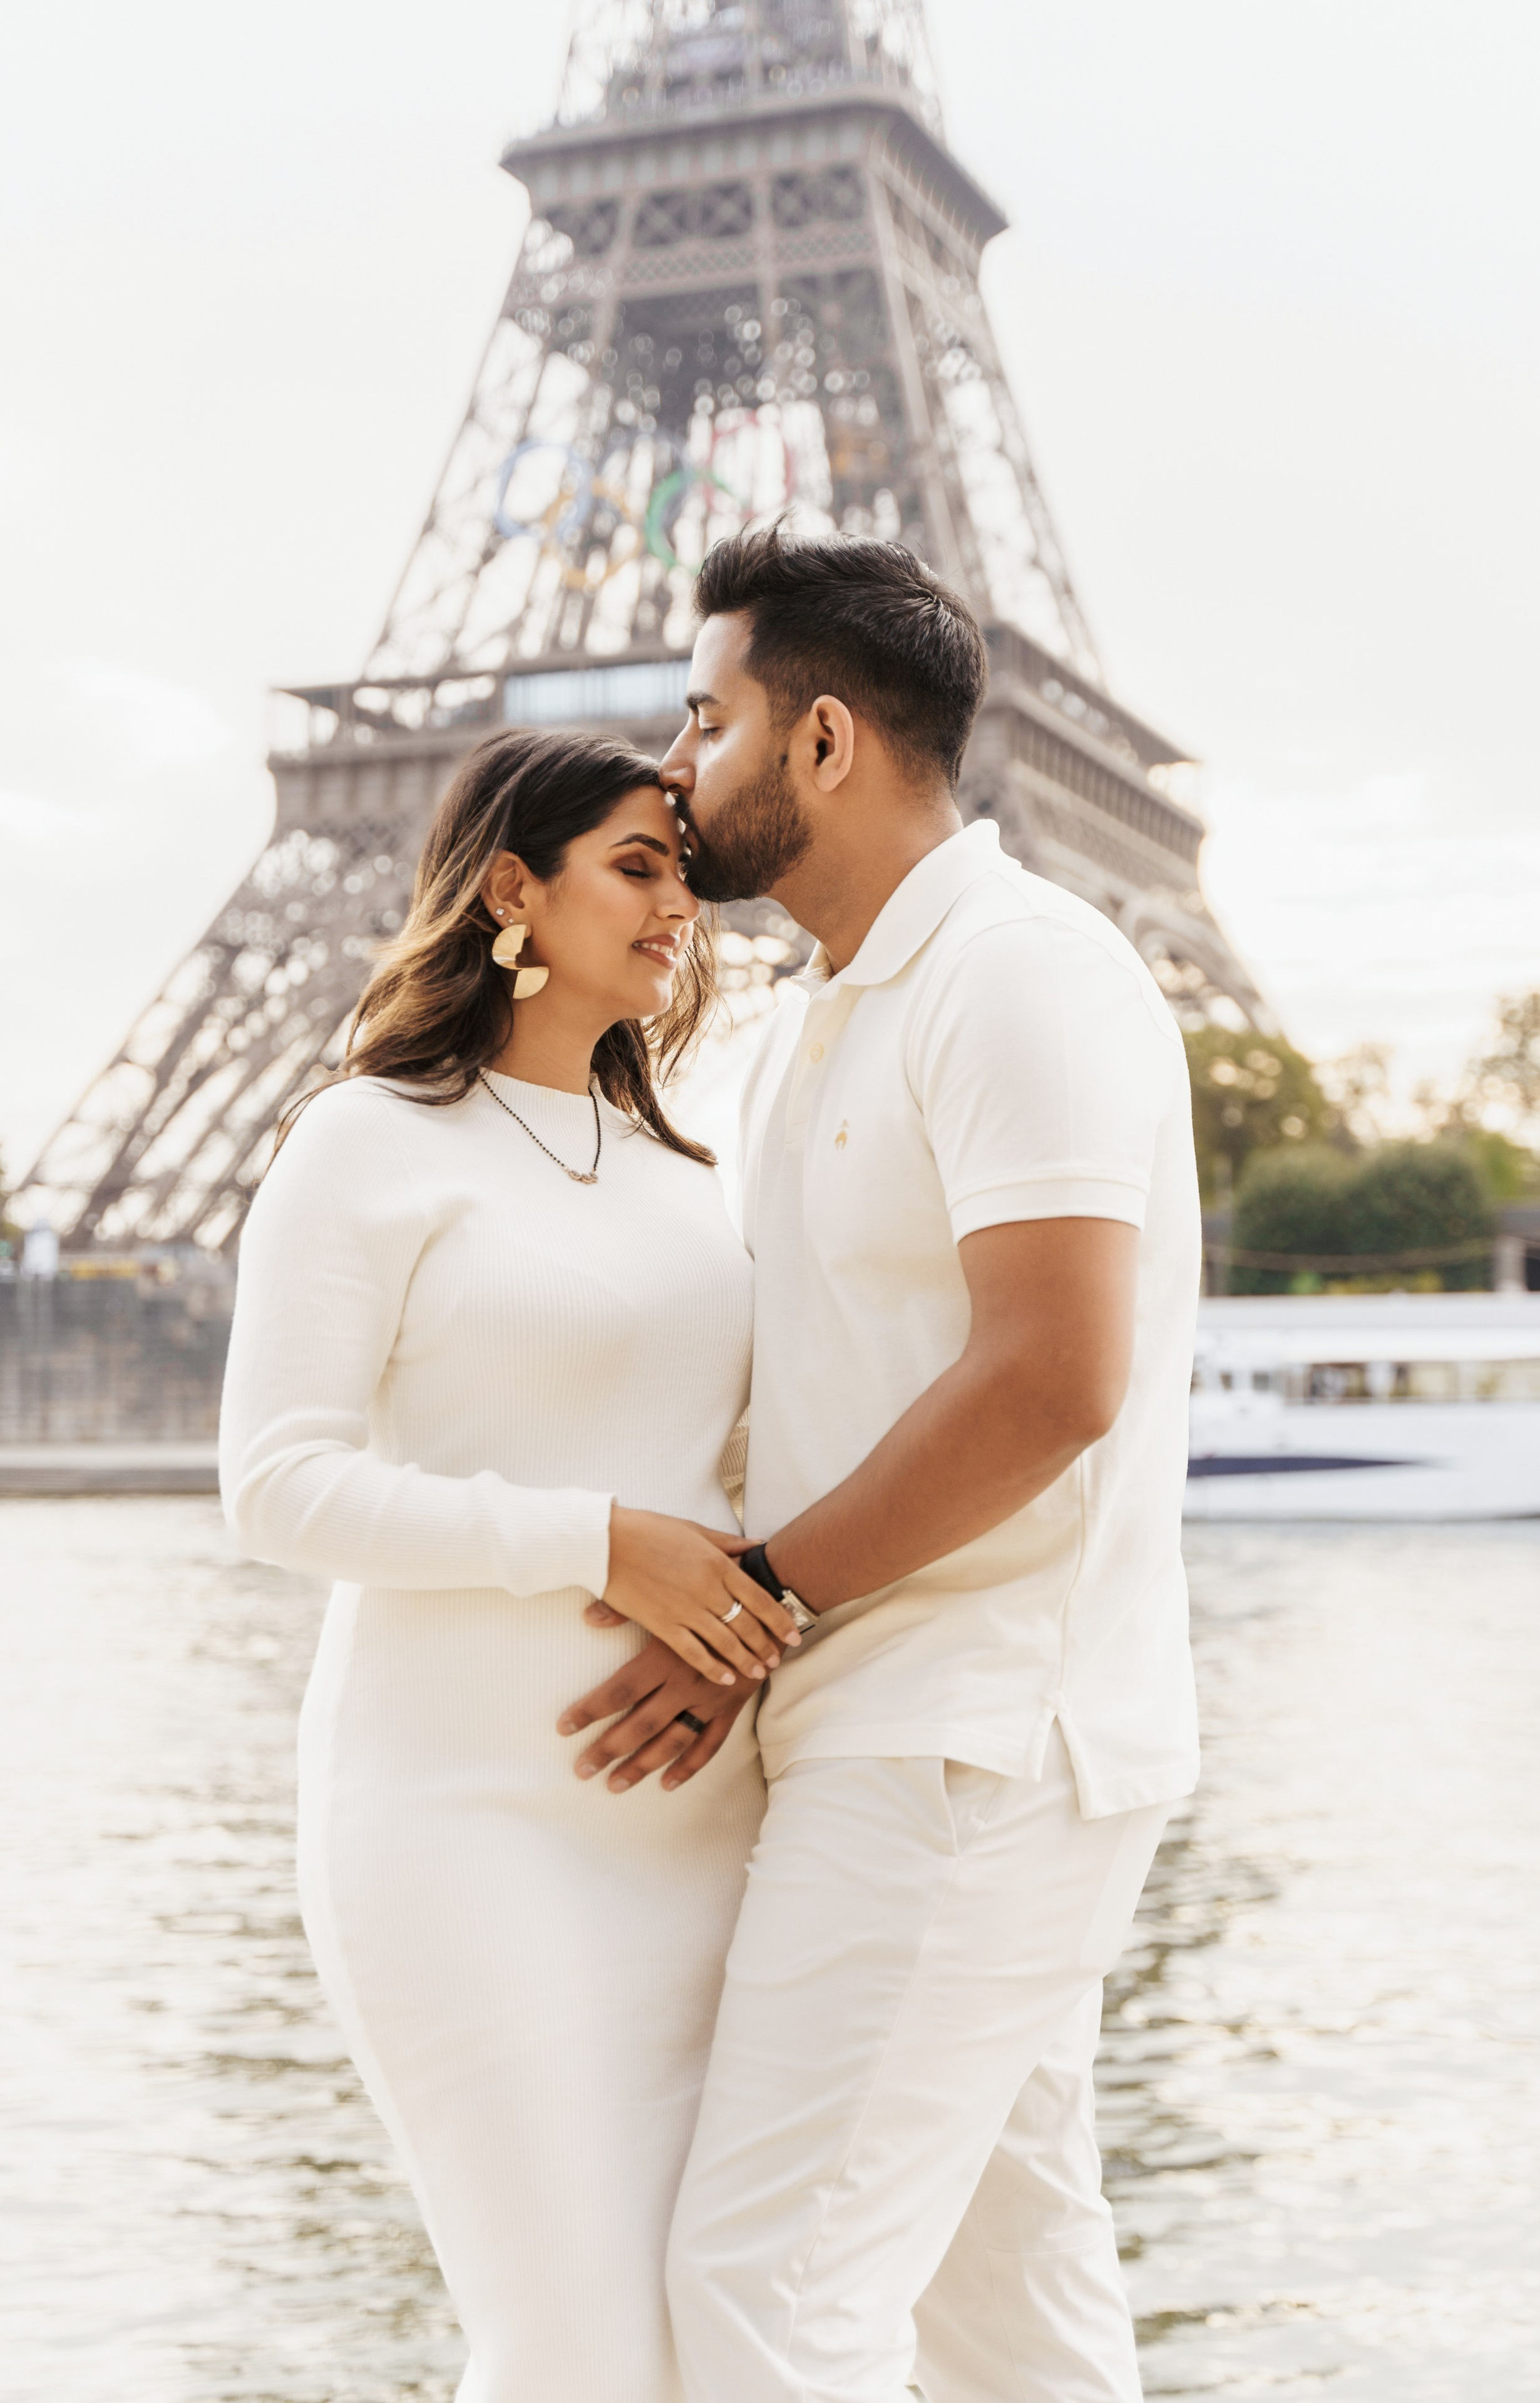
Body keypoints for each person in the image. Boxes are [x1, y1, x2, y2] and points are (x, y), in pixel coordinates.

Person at [560, 530, 1201, 2403]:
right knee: (1008, 2326)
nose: (676, 769)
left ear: (822, 742)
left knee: (769, 2291)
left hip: (968, 1738)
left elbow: (1053, 1378)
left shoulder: (1017, 975)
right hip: (919, 1727)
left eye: (708, 718)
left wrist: (748, 1605)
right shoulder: (834, 1014)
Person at [217, 728, 805, 2403]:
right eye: (638, 861)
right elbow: (275, 1487)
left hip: (702, 1829)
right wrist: (595, 1540)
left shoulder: (694, 1178)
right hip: (465, 1830)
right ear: (509, 886)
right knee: (569, 2351)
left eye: (685, 868)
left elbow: (748, 1472)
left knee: (709, 2352)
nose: (679, 900)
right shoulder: (368, 1141)